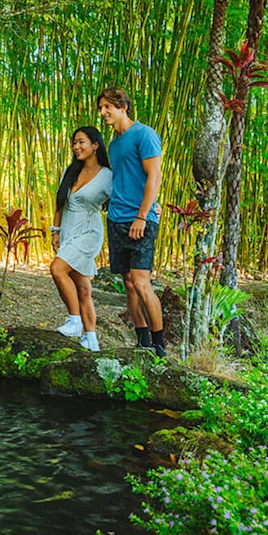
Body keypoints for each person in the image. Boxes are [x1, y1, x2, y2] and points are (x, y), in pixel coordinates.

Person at [98, 87, 166, 356]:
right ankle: (142, 341)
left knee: (141, 282)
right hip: (116, 219)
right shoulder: (114, 144)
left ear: (123, 107)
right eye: (101, 108)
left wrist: (143, 215)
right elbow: (124, 179)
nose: (103, 112)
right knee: (127, 282)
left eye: (108, 107)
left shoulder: (145, 135)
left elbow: (154, 177)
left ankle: (160, 346)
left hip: (140, 220)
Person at [49, 126, 112, 352]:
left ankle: (75, 322)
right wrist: (55, 231)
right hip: (68, 230)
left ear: (95, 145)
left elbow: (125, 196)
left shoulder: (107, 175)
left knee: (57, 269)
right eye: (74, 142)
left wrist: (150, 208)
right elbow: (60, 203)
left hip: (89, 232)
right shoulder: (71, 171)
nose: (76, 147)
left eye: (81, 142)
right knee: (83, 289)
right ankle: (91, 339)